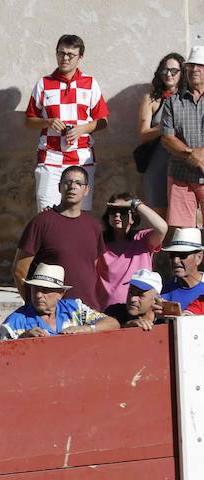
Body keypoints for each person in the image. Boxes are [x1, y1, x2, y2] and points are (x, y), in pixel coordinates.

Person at [24, 34, 108, 211]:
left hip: (82, 158)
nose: (65, 58)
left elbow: (103, 121)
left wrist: (81, 129)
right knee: (46, 213)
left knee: (80, 215)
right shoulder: (43, 83)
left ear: (80, 57)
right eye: (61, 53)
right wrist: (48, 122)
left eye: (71, 54)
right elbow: (29, 121)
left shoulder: (90, 83)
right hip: (50, 157)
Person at [13, 165, 103, 309]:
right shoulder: (41, 222)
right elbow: (20, 270)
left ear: (86, 190)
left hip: (88, 310)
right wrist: (34, 306)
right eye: (67, 182)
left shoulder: (94, 225)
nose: (72, 186)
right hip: (53, 313)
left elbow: (95, 267)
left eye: (79, 183)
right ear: (59, 187)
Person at [159, 47, 204, 228]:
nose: (194, 70)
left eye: (200, 66)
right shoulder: (172, 101)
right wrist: (191, 154)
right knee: (182, 233)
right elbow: (167, 138)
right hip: (181, 176)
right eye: (191, 65)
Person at [96, 194, 166, 308]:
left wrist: (136, 204)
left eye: (123, 211)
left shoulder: (143, 239)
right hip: (107, 311)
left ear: (133, 217)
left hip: (138, 308)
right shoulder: (100, 242)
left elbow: (162, 228)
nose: (117, 215)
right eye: (113, 211)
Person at [0, 263, 98, 338]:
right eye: (35, 289)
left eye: (45, 290)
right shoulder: (14, 323)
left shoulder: (75, 309)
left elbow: (111, 322)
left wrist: (87, 328)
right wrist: (23, 338)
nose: (38, 295)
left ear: (60, 293)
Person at [138, 53, 184, 211]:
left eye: (174, 71)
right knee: (159, 214)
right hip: (157, 165)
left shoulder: (189, 98)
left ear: (182, 73)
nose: (169, 74)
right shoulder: (151, 99)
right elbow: (143, 135)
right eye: (165, 70)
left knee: (183, 213)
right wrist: (162, 127)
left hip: (183, 165)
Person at [64, 270, 166, 334]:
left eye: (140, 295)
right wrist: (127, 326)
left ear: (156, 299)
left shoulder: (164, 320)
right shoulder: (115, 312)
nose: (133, 299)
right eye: (131, 292)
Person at [160, 227, 204, 306]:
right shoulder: (164, 289)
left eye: (182, 255)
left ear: (199, 257)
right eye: (172, 255)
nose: (175, 261)